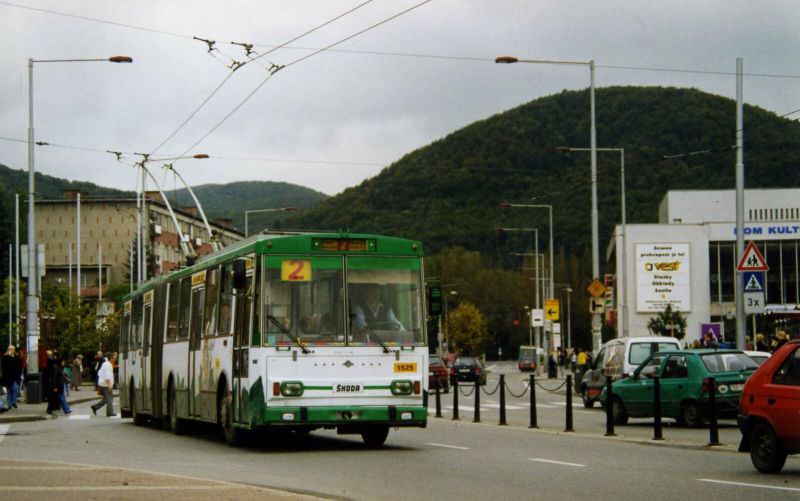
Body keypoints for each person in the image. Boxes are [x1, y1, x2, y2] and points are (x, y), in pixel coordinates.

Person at [1, 345, 22, 410]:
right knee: (9, 390)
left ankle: (13, 402)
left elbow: (18, 366)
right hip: (7, 377)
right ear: (8, 350)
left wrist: (19, 375)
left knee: (15, 389)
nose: (11, 350)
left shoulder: (16, 357)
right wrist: (8, 356)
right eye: (10, 349)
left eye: (12, 349)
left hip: (15, 376)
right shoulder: (5, 357)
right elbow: (3, 365)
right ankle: (9, 404)